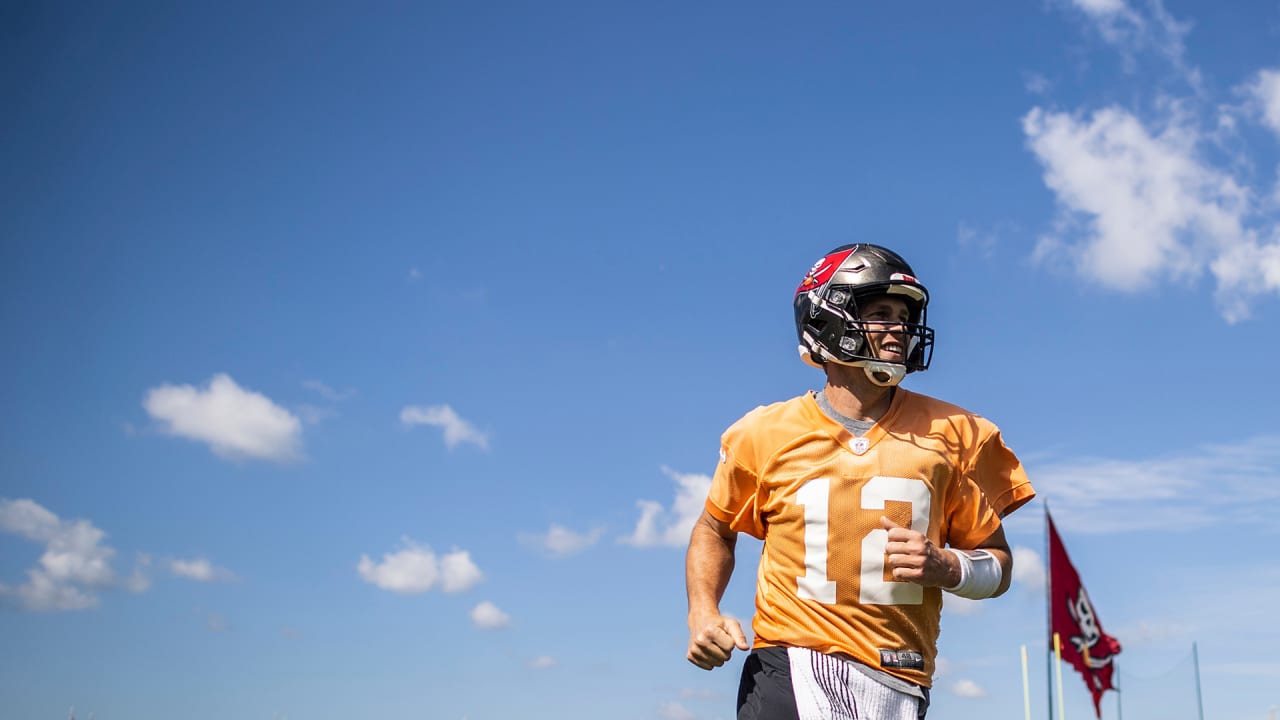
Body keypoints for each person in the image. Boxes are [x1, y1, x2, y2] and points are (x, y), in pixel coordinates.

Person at [685, 243, 1036, 720]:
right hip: (792, 664)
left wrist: (949, 567)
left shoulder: (960, 435)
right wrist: (703, 609)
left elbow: (1000, 567)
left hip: (902, 679)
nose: (899, 328)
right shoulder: (763, 433)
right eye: (880, 313)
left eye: (904, 316)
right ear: (827, 320)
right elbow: (714, 529)